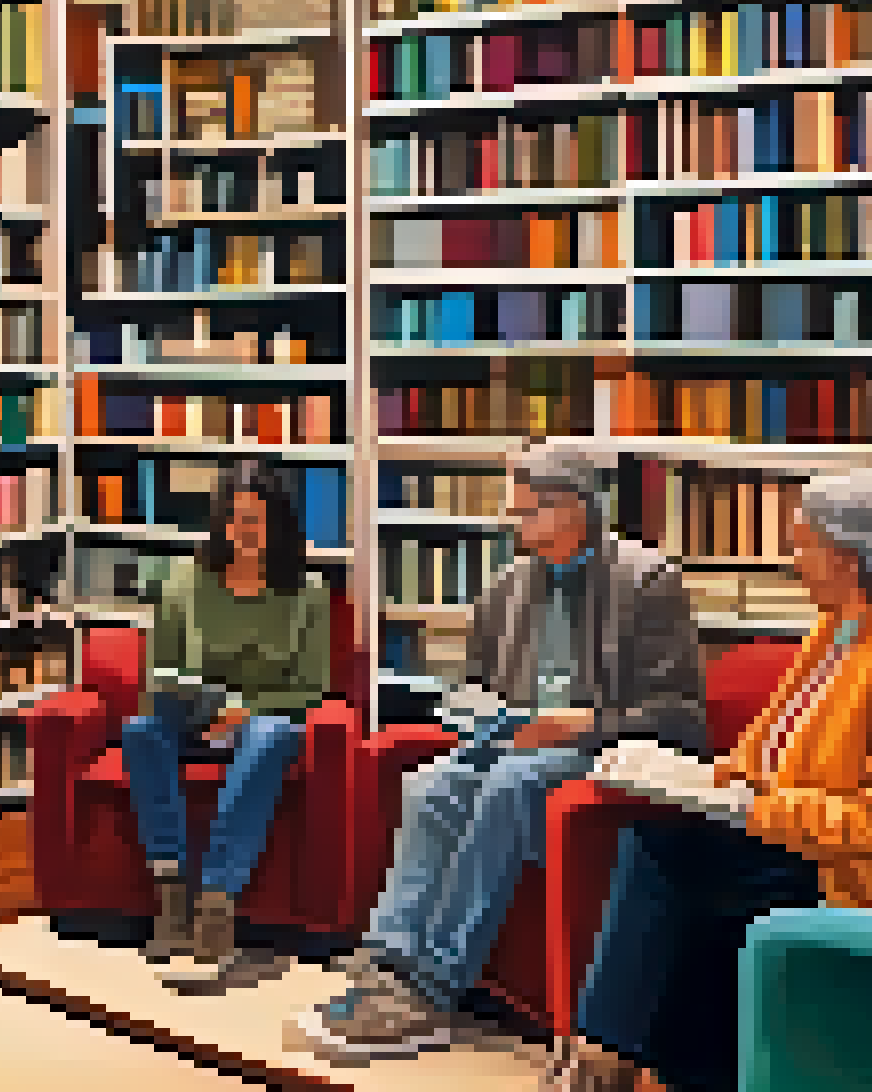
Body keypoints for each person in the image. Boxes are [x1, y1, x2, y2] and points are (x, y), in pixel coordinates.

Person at [551, 470, 872, 1092]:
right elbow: (765, 746)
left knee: (664, 857)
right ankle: (641, 1060)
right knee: (672, 854)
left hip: (850, 873)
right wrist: (702, 779)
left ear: (848, 557)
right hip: (790, 840)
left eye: (804, 545)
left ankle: (606, 1054)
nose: (794, 559)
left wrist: (758, 811)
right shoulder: (832, 637)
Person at [291, 441, 708, 1062]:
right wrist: (475, 714)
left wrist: (582, 723)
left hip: (604, 749)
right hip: (513, 742)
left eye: (529, 512)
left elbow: (680, 715)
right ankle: (391, 960)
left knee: (513, 782)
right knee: (429, 785)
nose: (518, 526)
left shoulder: (645, 580)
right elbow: (475, 689)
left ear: (576, 508)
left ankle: (435, 988)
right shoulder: (507, 587)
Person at [122, 460, 331, 987]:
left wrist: (246, 708)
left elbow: (310, 689)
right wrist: (205, 703)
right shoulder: (185, 581)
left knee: (273, 733)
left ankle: (216, 904)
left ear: (280, 525)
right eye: (237, 520)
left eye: (258, 521)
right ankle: (171, 894)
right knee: (141, 729)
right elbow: (159, 674)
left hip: (261, 720)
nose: (247, 533)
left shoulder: (308, 592)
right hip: (192, 714)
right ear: (220, 523)